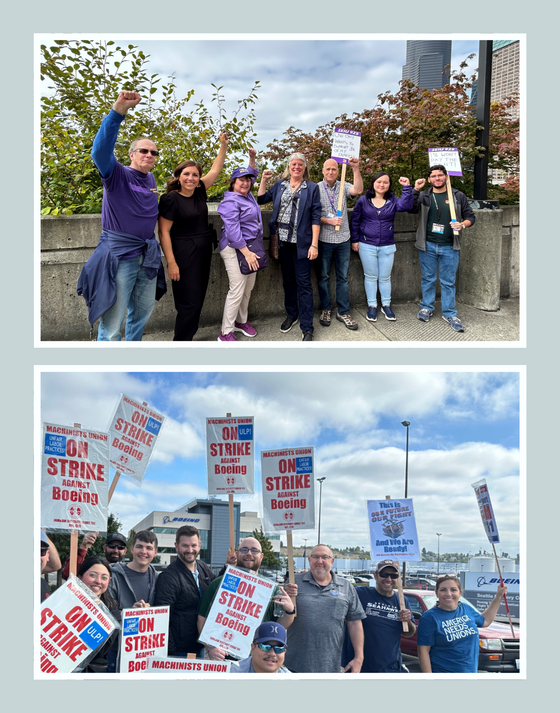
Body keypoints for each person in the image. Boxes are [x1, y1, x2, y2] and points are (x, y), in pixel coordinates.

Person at [77, 91, 166, 341]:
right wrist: (118, 112)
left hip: (147, 256)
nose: (149, 155)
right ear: (131, 154)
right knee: (113, 320)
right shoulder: (117, 175)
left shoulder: (151, 179)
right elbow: (100, 152)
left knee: (142, 312)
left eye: (153, 153)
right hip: (120, 256)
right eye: (143, 151)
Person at [158, 133, 229, 341]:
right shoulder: (170, 199)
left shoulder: (199, 192)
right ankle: (180, 343)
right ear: (178, 176)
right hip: (183, 253)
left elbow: (216, 169)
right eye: (186, 174)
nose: (191, 178)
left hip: (203, 251)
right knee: (188, 302)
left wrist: (223, 146)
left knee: (197, 299)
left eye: (195, 175)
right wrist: (171, 263)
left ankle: (187, 338)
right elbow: (163, 232)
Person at [197, 536, 297, 660]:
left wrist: (289, 610)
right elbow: (202, 618)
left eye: (254, 550)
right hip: (222, 658)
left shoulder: (271, 590)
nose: (249, 553)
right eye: (244, 549)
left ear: (261, 556)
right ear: (237, 554)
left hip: (255, 660)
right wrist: (209, 647)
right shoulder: (219, 583)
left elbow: (279, 626)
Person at [257, 153, 322, 341]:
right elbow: (261, 199)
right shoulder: (280, 185)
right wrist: (263, 179)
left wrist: (314, 244)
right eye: (294, 164)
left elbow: (315, 217)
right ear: (289, 166)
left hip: (303, 244)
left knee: (304, 284)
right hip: (282, 242)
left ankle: (307, 327)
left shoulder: (311, 188)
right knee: (288, 280)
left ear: (304, 167)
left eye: (300, 164)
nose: (297, 167)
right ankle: (292, 314)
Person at [409, 165, 476, 332]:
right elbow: (411, 209)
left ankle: (450, 313)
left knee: (448, 281)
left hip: (450, 246)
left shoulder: (457, 196)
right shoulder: (425, 195)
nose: (437, 178)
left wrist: (462, 225)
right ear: (429, 179)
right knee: (428, 278)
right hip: (427, 245)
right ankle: (427, 307)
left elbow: (470, 216)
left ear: (446, 176)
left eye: (440, 175)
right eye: (434, 176)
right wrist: (415, 189)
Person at [284, 544, 365, 673]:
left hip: (331, 666)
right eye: (315, 557)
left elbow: (355, 622)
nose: (320, 561)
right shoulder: (294, 583)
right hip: (294, 665)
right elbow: (281, 618)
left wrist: (359, 658)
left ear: (332, 561)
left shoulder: (346, 586)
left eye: (325, 557)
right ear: (309, 560)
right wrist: (286, 595)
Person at [351, 172, 413, 322]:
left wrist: (407, 187)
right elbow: (355, 221)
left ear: (389, 185)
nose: (382, 185)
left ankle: (386, 305)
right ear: (373, 183)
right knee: (371, 277)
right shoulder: (363, 201)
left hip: (387, 245)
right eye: (379, 181)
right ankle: (372, 306)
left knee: (385, 277)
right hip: (366, 244)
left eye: (385, 182)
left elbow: (406, 206)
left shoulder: (393, 201)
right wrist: (354, 240)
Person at [216, 149, 265, 341]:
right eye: (240, 180)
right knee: (237, 289)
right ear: (233, 183)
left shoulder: (248, 196)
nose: (245, 182)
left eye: (247, 180)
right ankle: (225, 332)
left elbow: (253, 173)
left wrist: (252, 158)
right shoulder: (230, 200)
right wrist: (247, 253)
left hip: (251, 247)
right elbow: (233, 230)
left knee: (248, 287)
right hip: (235, 248)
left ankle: (241, 321)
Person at [417, 574, 508, 673]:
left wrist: (499, 596)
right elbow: (423, 651)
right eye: (443, 590)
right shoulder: (429, 617)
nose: (448, 594)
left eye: (453, 590)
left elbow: (485, 621)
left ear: (460, 593)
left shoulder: (466, 608)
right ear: (437, 593)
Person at [341, 559, 416, 673]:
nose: (389, 579)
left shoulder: (402, 601)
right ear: (375, 576)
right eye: (384, 574)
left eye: (393, 575)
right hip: (359, 666)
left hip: (390, 668)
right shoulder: (360, 593)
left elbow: (408, 633)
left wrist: (408, 621)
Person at [152, 525, 216, 657]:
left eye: (193, 545)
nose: (190, 550)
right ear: (176, 546)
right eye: (185, 545)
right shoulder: (168, 577)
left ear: (199, 545)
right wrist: (172, 654)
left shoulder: (202, 567)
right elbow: (162, 620)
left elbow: (215, 589)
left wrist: (229, 567)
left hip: (204, 644)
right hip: (182, 649)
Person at [317, 157, 363, 330]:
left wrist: (355, 168)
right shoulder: (316, 188)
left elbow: (357, 190)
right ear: (322, 170)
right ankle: (326, 308)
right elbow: (312, 215)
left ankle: (343, 311)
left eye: (334, 169)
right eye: (327, 169)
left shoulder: (343, 184)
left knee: (343, 278)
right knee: (323, 277)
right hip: (323, 240)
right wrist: (328, 221)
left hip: (343, 238)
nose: (330, 172)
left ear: (338, 171)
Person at [76, 557, 120, 673]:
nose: (98, 581)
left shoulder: (113, 614)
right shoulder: (64, 601)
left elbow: (98, 650)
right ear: (80, 577)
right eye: (93, 575)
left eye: (104, 577)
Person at [107, 530, 159, 609]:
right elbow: (108, 612)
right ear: (132, 549)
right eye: (139, 547)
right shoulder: (113, 576)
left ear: (155, 552)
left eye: (149, 548)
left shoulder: (158, 579)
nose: (143, 551)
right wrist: (130, 614)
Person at [61, 531, 128, 580]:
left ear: (125, 551)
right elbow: (68, 575)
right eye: (112, 546)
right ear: (104, 548)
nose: (116, 550)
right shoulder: (93, 566)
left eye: (120, 547)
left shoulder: (129, 572)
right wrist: (83, 547)